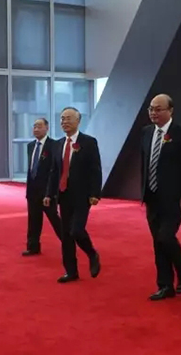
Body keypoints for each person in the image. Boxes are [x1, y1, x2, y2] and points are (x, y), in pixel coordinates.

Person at [141, 94, 181, 301]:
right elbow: (145, 162)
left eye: (158, 109)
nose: (153, 113)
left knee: (165, 237)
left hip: (174, 197)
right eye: (151, 109)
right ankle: (165, 286)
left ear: (170, 110)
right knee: (158, 242)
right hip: (152, 196)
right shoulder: (146, 132)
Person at [44, 107, 102, 283]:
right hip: (63, 194)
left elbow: (95, 169)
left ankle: (91, 253)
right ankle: (71, 271)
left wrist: (95, 193)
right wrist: (49, 194)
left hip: (82, 195)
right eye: (62, 119)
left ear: (78, 120)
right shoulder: (57, 144)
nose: (65, 122)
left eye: (69, 118)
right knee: (66, 235)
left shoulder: (89, 142)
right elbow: (54, 171)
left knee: (76, 230)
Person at [23, 118, 62, 256]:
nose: (36, 129)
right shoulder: (30, 146)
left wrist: (50, 193)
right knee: (33, 220)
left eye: (39, 126)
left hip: (47, 192)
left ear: (47, 128)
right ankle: (33, 246)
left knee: (54, 219)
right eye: (34, 126)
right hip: (32, 191)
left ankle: (68, 242)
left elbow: (55, 170)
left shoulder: (54, 145)